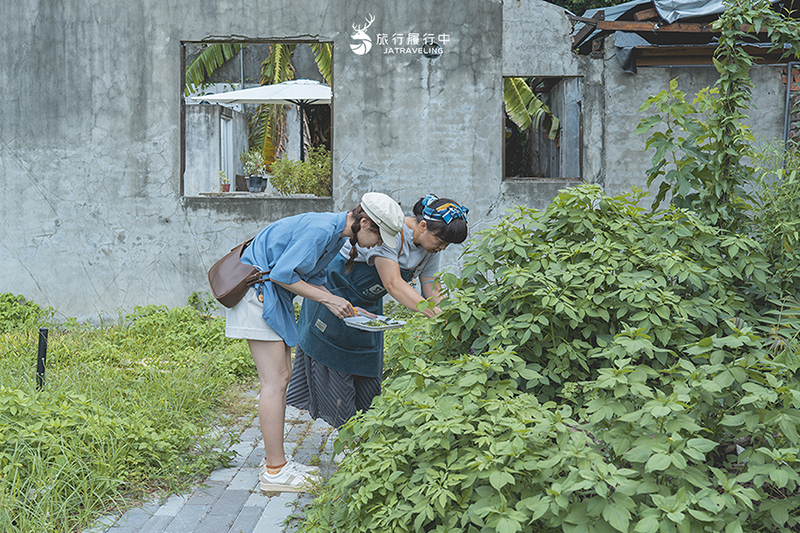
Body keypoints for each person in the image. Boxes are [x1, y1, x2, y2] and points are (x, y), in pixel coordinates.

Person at [224, 192, 404, 492]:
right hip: (256, 296)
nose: (377, 245)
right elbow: (283, 274)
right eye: (378, 236)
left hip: (267, 296)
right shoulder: (322, 229)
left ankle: (275, 461)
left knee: (280, 378)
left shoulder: (335, 234)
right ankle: (274, 471)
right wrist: (330, 299)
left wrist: (343, 304)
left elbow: (313, 280)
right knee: (275, 382)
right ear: (363, 222)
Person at [287, 194, 469, 428]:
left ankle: (364, 433)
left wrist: (450, 314)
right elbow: (393, 283)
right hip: (334, 294)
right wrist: (432, 313)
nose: (442, 248)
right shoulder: (390, 231)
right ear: (423, 226)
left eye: (446, 245)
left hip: (368, 304)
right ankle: (346, 436)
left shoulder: (429, 248)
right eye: (441, 241)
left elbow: (431, 285)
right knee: (335, 368)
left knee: (367, 373)